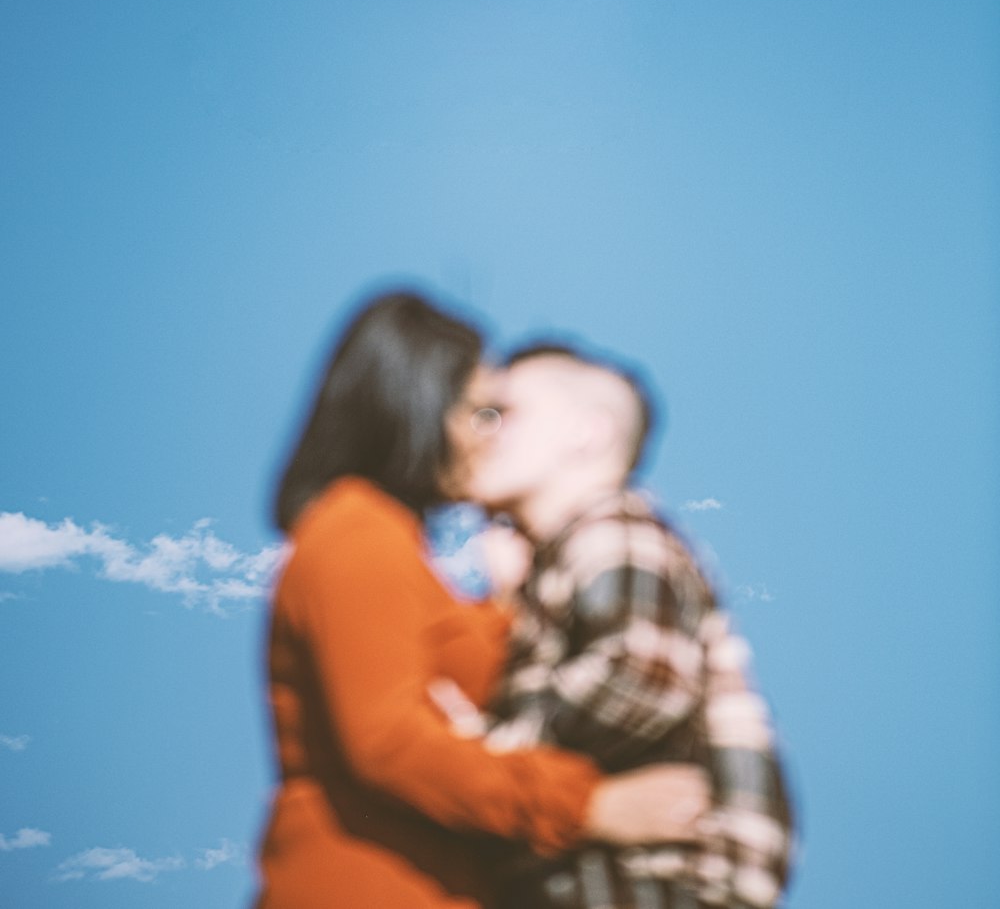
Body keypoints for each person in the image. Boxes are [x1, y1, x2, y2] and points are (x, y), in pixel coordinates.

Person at [254, 292, 712, 909]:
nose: (487, 438)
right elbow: (392, 744)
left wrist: (505, 603)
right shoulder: (356, 529)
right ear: (420, 405)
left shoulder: (403, 554)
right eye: (481, 413)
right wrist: (589, 806)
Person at [443, 343, 795, 909]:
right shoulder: (561, 560)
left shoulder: (613, 527)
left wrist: (486, 756)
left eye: (502, 413)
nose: (480, 431)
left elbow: (639, 678)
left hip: (660, 882)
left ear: (589, 433)